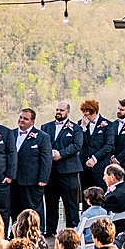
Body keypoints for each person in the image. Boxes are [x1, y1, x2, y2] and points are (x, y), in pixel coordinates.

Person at [43, 100, 84, 235]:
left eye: (61, 110)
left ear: (68, 112)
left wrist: (61, 154)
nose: (58, 112)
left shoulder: (76, 128)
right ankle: (50, 230)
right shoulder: (45, 127)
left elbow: (77, 146)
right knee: (51, 202)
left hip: (68, 171)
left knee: (70, 203)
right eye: (57, 110)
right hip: (51, 171)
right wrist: (50, 153)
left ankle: (72, 231)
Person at [10, 108, 49, 226]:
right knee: (15, 208)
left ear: (32, 122)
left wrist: (43, 178)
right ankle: (17, 232)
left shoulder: (42, 137)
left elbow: (46, 159)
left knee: (34, 210)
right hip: (14, 180)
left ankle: (37, 232)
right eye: (20, 117)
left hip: (32, 181)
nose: (21, 120)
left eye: (25, 119)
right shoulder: (11, 134)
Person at [77, 99, 113, 214]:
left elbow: (109, 145)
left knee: (100, 192)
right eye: (84, 111)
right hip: (84, 165)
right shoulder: (80, 124)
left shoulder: (107, 125)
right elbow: (79, 143)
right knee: (86, 192)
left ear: (95, 111)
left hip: (100, 165)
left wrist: (95, 158)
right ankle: (86, 216)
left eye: (88, 111)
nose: (85, 114)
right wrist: (83, 128)